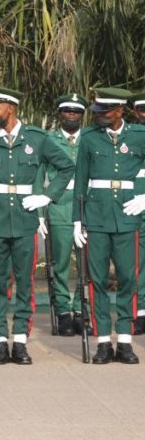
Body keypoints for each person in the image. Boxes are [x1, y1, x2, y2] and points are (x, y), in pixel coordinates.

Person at [0, 84, 74, 365]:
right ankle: (0, 341)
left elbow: (66, 167)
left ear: (11, 108)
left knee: (26, 285)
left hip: (25, 221)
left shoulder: (37, 139)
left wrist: (46, 196)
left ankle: (20, 341)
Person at [73, 88, 145, 364]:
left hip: (127, 214)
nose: (100, 116)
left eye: (105, 111)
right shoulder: (90, 138)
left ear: (120, 110)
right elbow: (80, 178)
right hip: (97, 215)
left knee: (128, 278)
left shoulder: (139, 135)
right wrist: (77, 220)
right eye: (98, 111)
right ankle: (103, 340)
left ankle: (125, 341)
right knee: (98, 279)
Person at [44, 93, 87, 336]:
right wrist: (41, 212)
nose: (71, 115)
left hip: (85, 203)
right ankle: (62, 312)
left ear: (82, 115)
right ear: (60, 113)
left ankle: (81, 310)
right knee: (59, 262)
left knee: (86, 262)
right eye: (67, 111)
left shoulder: (91, 138)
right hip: (59, 203)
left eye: (77, 111)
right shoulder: (49, 140)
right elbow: (41, 174)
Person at [129, 91, 145, 335]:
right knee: (136, 262)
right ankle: (140, 311)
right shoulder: (128, 136)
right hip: (134, 204)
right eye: (143, 111)